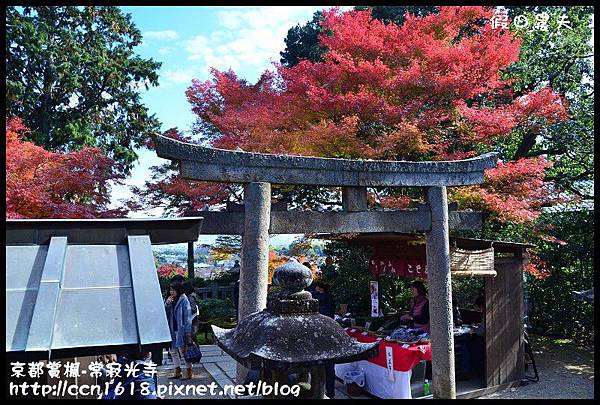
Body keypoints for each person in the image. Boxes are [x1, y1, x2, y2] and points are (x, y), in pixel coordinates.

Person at [311, 280, 337, 398]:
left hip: (317, 335)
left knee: (317, 366)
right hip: (330, 334)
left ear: (320, 289)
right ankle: (330, 393)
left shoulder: (317, 299)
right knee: (330, 367)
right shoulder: (331, 299)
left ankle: (317, 392)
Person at [165, 281, 194, 380]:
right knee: (173, 351)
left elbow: (187, 317)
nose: (171, 292)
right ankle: (177, 370)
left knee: (183, 351)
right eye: (170, 290)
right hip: (172, 329)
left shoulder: (183, 300)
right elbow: (165, 314)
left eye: (173, 290)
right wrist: (168, 304)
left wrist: (188, 331)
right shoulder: (170, 300)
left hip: (181, 329)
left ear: (178, 290)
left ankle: (188, 371)